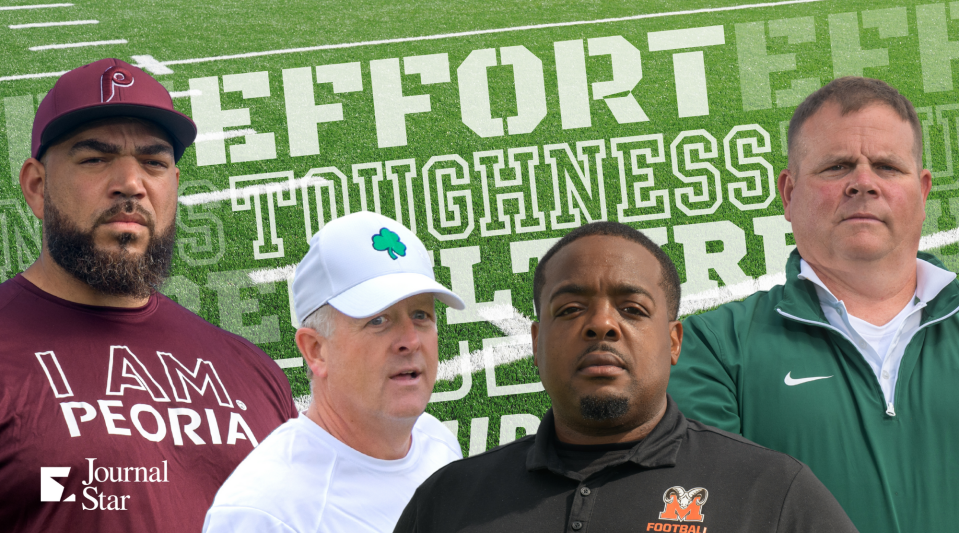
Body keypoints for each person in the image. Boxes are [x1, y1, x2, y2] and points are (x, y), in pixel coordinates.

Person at [394, 221, 856, 532]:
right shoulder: (448, 502)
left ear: (674, 341)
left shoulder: (771, 493)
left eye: (632, 309)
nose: (602, 324)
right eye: (571, 309)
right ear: (536, 343)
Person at [0, 58, 297, 532]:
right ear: (37, 187)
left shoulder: (252, 372)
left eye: (154, 163)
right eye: (95, 159)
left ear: (173, 187)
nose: (131, 184)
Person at [667, 76, 959, 532]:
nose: (863, 183)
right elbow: (712, 515)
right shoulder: (713, 350)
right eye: (837, 167)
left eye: (886, 166)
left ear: (922, 193)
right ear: (788, 192)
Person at [203, 211, 466, 533]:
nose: (410, 341)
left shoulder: (436, 441)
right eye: (378, 320)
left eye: (421, 314)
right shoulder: (264, 511)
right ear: (316, 350)